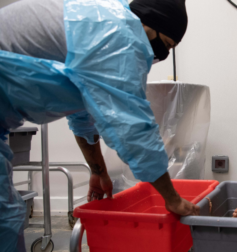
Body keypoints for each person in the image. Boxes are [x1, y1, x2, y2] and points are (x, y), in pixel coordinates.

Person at [0, 0, 199, 251]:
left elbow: (83, 114)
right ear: (149, 24)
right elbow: (134, 130)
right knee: (4, 217)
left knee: (6, 214)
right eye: (166, 45)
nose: (161, 55)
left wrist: (98, 170)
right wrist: (172, 199)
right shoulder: (121, 36)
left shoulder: (102, 25)